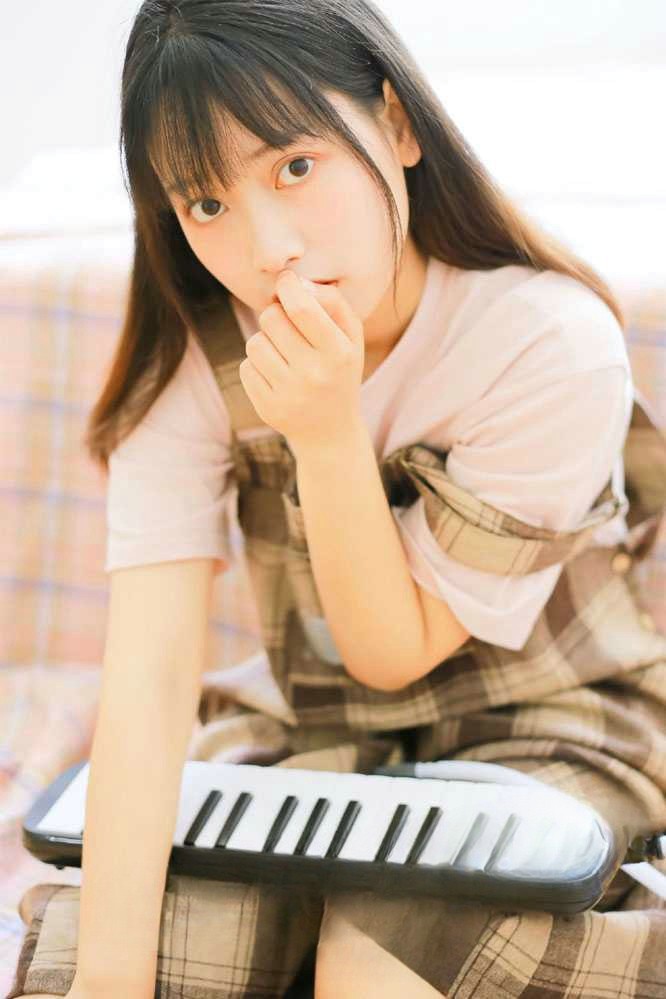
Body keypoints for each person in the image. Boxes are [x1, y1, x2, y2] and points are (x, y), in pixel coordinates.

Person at [10, 1, 666, 997]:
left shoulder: (543, 342)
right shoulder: (193, 360)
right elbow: (150, 681)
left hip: (550, 719)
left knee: (378, 949)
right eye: (206, 203)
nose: (268, 246)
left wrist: (324, 432)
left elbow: (392, 650)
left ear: (396, 125)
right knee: (153, 946)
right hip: (318, 728)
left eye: (295, 167)